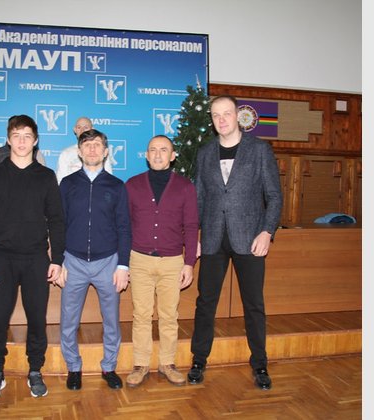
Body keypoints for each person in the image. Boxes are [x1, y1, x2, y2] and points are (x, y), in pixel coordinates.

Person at [188, 95, 283, 391]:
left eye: (226, 113)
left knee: (254, 304)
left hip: (250, 238)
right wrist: (195, 237)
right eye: (216, 115)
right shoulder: (205, 153)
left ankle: (260, 364)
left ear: (237, 115)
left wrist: (266, 231)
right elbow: (198, 199)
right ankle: (198, 360)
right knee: (205, 302)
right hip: (213, 238)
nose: (221, 120)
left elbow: (274, 196)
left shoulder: (259, 149)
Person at [0, 114, 66, 399]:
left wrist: (57, 259)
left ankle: (35, 370)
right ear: (8, 139)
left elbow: (57, 220)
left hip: (36, 259)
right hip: (1, 260)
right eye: (16, 136)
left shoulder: (46, 176)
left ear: (36, 140)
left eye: (27, 136)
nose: (22, 141)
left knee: (37, 319)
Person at [54, 128, 131, 391]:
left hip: (108, 263)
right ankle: (73, 367)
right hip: (73, 261)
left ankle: (109, 366)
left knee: (111, 320)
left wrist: (123, 265)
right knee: (68, 320)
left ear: (106, 151)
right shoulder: (67, 184)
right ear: (79, 151)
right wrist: (59, 260)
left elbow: (124, 228)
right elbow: (59, 224)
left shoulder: (117, 186)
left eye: (97, 145)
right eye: (86, 145)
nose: (92, 149)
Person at [124, 135, 199, 388]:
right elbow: (124, 225)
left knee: (169, 316)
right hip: (139, 260)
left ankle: (167, 363)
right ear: (146, 155)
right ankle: (141, 364)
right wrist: (123, 262)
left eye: (164, 150)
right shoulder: (132, 185)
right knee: (141, 315)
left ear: (173, 155)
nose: (158, 154)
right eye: (153, 150)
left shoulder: (186, 187)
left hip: (172, 262)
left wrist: (189, 263)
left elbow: (191, 226)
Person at [55, 116, 113, 183]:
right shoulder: (66, 154)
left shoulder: (100, 152)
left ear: (92, 129)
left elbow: (108, 179)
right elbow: (61, 181)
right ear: (75, 130)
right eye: (79, 127)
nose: (82, 130)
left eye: (86, 127)